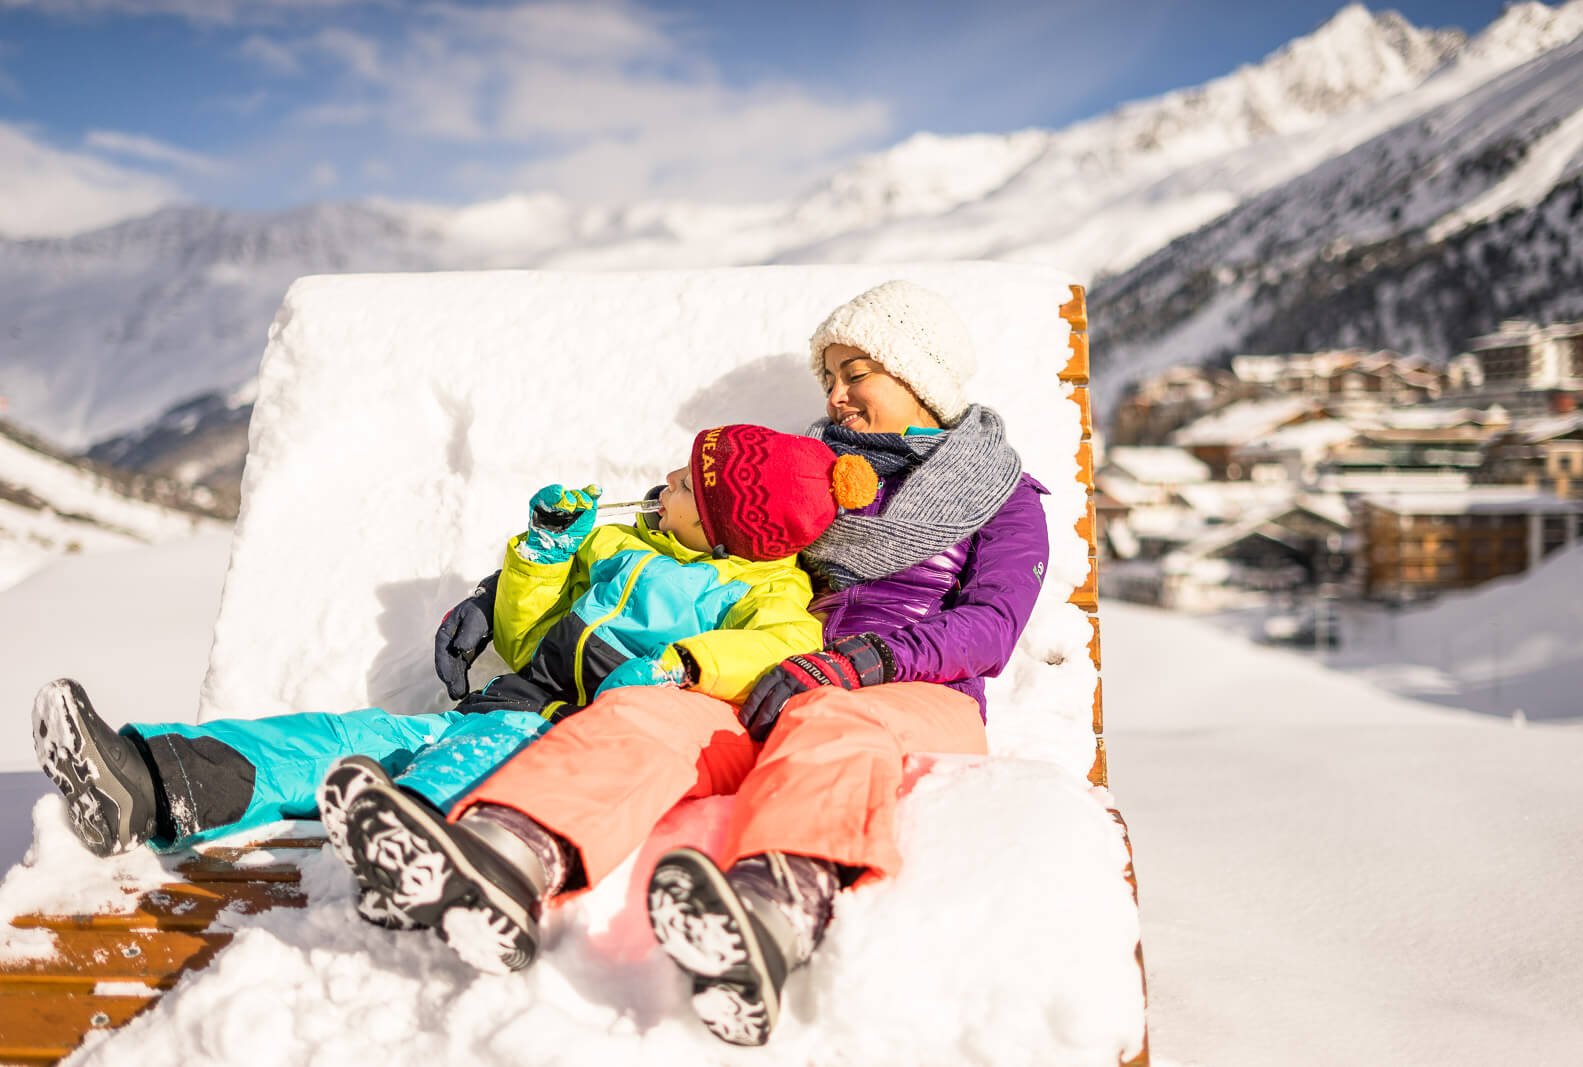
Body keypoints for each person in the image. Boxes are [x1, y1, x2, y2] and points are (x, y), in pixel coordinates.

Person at [336, 279, 1051, 1045]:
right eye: (830, 377)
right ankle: (510, 853)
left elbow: (992, 625)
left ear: (920, 374)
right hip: (772, 677)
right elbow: (678, 531)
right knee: (645, 709)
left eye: (856, 373)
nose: (837, 395)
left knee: (832, 719)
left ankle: (772, 912)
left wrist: (858, 664)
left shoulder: (1002, 495)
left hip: (913, 693)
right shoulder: (806, 467)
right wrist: (498, 588)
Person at [31, 425, 873, 937]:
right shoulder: (621, 543)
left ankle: (418, 842)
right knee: (345, 738)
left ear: (728, 525)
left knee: (469, 758)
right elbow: (524, 633)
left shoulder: (767, 589)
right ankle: (150, 780)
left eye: (692, 483)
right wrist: (544, 552)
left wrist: (689, 662)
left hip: (563, 736)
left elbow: (785, 645)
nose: (671, 480)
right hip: (507, 700)